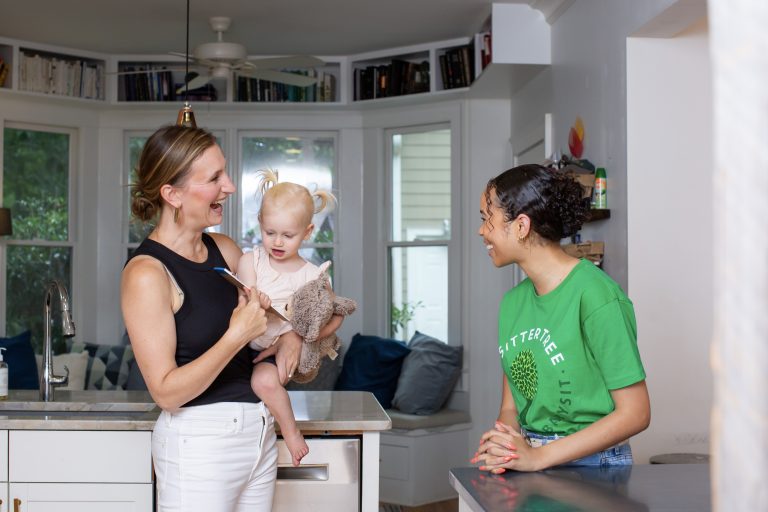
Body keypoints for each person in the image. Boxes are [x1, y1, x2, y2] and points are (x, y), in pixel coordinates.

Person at [121, 125, 303, 511]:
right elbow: (167, 392)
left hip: (258, 431)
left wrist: (290, 337)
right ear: (172, 194)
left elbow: (273, 314)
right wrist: (235, 336)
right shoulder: (146, 273)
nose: (231, 187)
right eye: (215, 178)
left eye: (226, 172)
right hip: (198, 444)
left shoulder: (223, 248)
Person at [472, 164, 650, 473]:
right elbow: (511, 406)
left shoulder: (597, 295)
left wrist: (539, 457)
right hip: (530, 460)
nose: (481, 230)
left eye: (487, 218)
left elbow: (636, 413)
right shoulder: (512, 304)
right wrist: (505, 446)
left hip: (596, 467)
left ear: (520, 226)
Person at [237, 169, 343, 466]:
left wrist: (300, 335)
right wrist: (253, 299)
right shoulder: (252, 261)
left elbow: (333, 318)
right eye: (270, 233)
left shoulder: (313, 276)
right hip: (243, 344)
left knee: (265, 383)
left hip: (276, 354)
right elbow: (242, 299)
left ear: (308, 232)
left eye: (288, 235)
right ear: (260, 224)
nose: (278, 243)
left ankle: (291, 430)